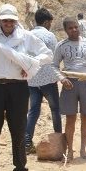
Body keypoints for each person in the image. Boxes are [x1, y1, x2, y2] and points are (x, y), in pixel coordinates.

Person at [0, 4, 53, 171]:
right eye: (5, 20)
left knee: (18, 130)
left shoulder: (25, 36)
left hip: (18, 88)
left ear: (16, 20)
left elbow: (47, 55)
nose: (8, 23)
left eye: (11, 20)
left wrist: (29, 64)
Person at [54, 17, 86, 160]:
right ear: (65, 30)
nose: (74, 30)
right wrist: (62, 79)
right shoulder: (61, 45)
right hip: (70, 84)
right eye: (70, 28)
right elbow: (54, 66)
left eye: (76, 27)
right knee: (70, 118)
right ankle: (70, 151)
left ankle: (83, 150)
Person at [25, 8, 62, 154]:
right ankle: (59, 139)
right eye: (50, 23)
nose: (50, 25)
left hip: (32, 79)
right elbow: (54, 57)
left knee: (33, 111)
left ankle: (27, 142)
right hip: (48, 79)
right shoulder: (50, 36)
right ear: (46, 22)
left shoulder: (28, 35)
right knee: (55, 109)